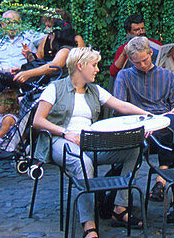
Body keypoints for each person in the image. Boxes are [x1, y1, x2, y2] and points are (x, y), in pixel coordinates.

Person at [32, 47, 154, 237]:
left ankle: (119, 208)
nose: (98, 69)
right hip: (59, 140)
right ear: (80, 66)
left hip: (90, 142)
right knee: (84, 163)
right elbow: (38, 121)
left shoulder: (94, 90)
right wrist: (65, 133)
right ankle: (89, 224)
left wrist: (146, 114)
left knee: (134, 151)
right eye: (94, 65)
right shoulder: (55, 88)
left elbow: (120, 105)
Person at [112, 37, 174, 225]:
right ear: (130, 60)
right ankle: (170, 189)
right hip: (139, 128)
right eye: (137, 62)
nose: (143, 65)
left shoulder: (166, 75)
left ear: (151, 53)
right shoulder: (125, 76)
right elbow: (118, 108)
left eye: (145, 60)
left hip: (164, 127)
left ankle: (166, 186)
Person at [0, 10, 44, 109]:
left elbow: (48, 38)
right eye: (9, 23)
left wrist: (38, 54)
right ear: (2, 24)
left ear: (20, 23)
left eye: (16, 23)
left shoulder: (30, 36)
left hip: (21, 76)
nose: (12, 26)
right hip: (0, 76)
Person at [110, 14, 174, 78]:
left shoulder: (156, 44)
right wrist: (123, 54)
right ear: (128, 32)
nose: (141, 32)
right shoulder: (123, 48)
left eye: (142, 29)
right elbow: (113, 72)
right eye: (136, 30)